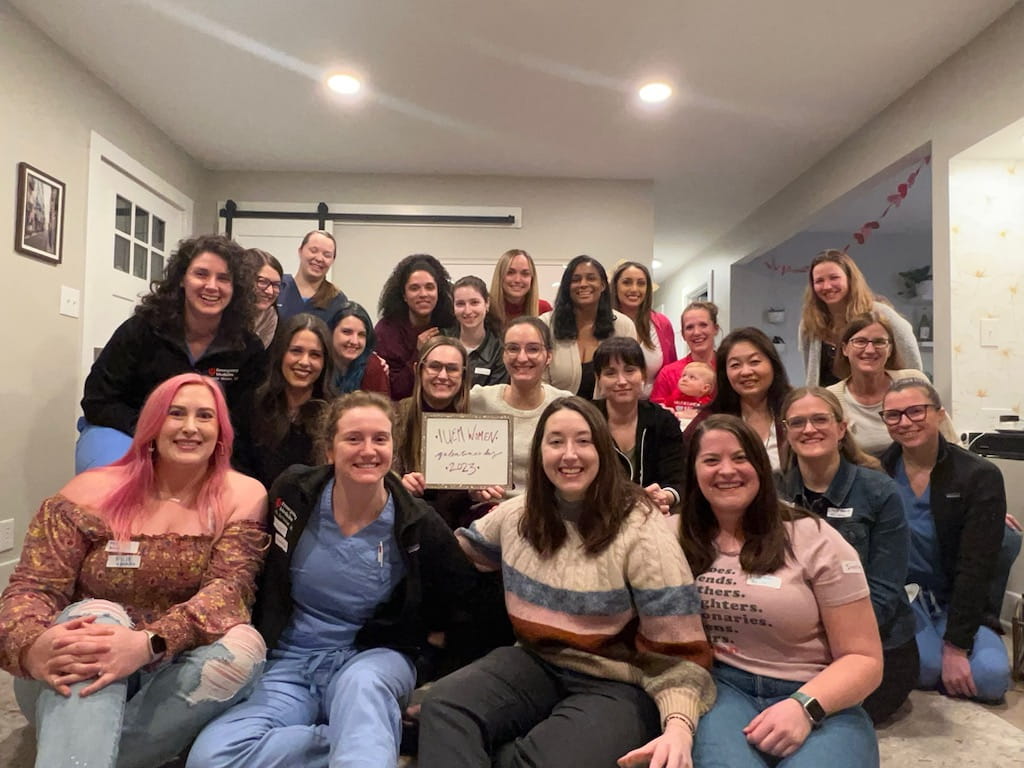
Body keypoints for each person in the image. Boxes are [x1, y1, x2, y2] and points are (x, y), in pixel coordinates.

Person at [417, 397, 715, 768]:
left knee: (539, 761)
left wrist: (679, 726)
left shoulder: (641, 527)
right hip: (534, 660)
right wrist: (397, 498)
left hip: (618, 680)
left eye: (583, 441)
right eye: (556, 441)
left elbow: (679, 655)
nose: (569, 454)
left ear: (603, 450)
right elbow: (454, 556)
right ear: (539, 451)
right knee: (444, 707)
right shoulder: (518, 514)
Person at [187, 391, 480, 768]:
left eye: (380, 439)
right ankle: (368, 737)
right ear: (329, 449)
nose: (368, 450)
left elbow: (473, 604)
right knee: (211, 758)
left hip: (372, 658)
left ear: (394, 447)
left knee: (363, 689)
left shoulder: (418, 524)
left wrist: (442, 668)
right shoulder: (292, 493)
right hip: (291, 661)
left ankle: (366, 739)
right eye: (353, 439)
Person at [1, 373, 269, 768]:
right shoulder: (89, 491)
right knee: (98, 617)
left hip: (167, 673)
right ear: (152, 425)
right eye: (176, 413)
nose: (190, 427)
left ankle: (80, 751)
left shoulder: (242, 495)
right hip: (68, 672)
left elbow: (228, 594)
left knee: (246, 646)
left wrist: (147, 643)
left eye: (204, 416)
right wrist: (31, 646)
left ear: (221, 431)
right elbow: (31, 588)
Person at [683, 414, 882, 768]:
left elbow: (864, 660)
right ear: (694, 473)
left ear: (761, 466)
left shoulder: (817, 540)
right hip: (722, 689)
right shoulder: (673, 536)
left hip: (819, 692)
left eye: (741, 458)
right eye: (711, 460)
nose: (727, 470)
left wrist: (804, 707)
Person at [779, 387, 916, 724]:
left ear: (841, 428)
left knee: (833, 718)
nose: (809, 429)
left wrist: (828, 639)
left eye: (819, 419)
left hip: (874, 645)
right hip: (796, 644)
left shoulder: (880, 491)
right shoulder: (772, 491)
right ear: (786, 432)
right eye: (798, 422)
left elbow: (885, 590)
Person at [78, 234, 266, 474]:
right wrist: (154, 432)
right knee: (116, 484)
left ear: (235, 289)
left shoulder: (248, 348)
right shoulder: (140, 330)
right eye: (201, 274)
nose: (211, 285)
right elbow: (98, 400)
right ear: (181, 279)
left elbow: (242, 423)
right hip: (127, 432)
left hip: (204, 442)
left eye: (223, 278)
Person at [879, 379, 1011, 702]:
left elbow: (977, 568)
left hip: (960, 599)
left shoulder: (979, 476)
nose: (905, 422)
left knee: (991, 680)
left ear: (939, 414)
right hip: (906, 599)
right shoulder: (877, 471)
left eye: (915, 411)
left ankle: (947, 645)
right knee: (923, 669)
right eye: (893, 415)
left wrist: (957, 647)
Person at [469, 317, 572, 501]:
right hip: (489, 510)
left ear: (548, 356)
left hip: (548, 510)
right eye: (513, 348)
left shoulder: (565, 405)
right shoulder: (477, 400)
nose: (522, 357)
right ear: (503, 354)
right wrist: (472, 486)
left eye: (533, 349)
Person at [827, 312, 957, 456]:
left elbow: (949, 439)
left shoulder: (914, 381)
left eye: (879, 342)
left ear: (890, 349)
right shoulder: (832, 398)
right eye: (860, 341)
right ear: (845, 349)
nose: (870, 350)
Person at [799, 249, 921, 387]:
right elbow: (811, 373)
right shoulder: (809, 323)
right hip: (829, 404)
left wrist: (915, 396)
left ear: (850, 279)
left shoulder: (882, 314)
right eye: (819, 281)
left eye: (834, 278)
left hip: (881, 403)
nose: (826, 286)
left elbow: (912, 365)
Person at [593, 337, 684, 514]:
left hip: (653, 514)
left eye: (629, 370)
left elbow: (677, 478)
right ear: (598, 379)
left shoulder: (663, 421)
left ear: (643, 374)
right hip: (598, 514)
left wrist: (664, 496)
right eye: (610, 373)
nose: (621, 381)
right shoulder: (586, 420)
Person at [684, 327, 792, 473]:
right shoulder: (709, 419)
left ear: (773, 364)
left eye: (754, 362)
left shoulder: (795, 411)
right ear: (725, 374)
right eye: (735, 365)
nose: (746, 372)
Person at [249, 313, 336, 491]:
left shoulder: (335, 414)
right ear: (281, 354)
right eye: (296, 351)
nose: (305, 362)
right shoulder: (253, 405)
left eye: (315, 355)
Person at [540, 255, 637, 398]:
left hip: (608, 416)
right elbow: (540, 381)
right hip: (557, 414)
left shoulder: (623, 326)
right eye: (576, 279)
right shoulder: (546, 324)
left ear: (603, 285)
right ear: (567, 287)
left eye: (591, 278)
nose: (583, 284)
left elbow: (631, 375)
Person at [376, 253, 456, 400]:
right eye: (414, 288)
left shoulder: (451, 326)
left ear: (438, 292)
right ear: (404, 295)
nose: (423, 294)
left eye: (430, 287)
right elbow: (393, 389)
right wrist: (419, 353)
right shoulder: (385, 331)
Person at [612, 261, 678, 393]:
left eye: (641, 283)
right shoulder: (603, 322)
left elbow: (670, 373)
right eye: (627, 282)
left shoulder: (662, 324)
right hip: (610, 405)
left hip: (653, 406)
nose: (634, 289)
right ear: (615, 287)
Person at [650, 301, 720, 408]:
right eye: (689, 327)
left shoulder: (728, 369)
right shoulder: (668, 373)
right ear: (683, 335)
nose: (696, 332)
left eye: (703, 325)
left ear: (715, 329)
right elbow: (655, 413)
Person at [445, 275, 507, 387]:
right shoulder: (441, 341)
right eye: (460, 304)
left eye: (474, 302)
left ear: (487, 304)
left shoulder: (500, 351)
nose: (467, 311)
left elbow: (494, 397)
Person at [276, 230, 349, 324]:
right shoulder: (277, 287)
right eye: (313, 251)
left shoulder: (337, 300)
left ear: (332, 260)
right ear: (300, 251)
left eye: (327, 255)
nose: (319, 258)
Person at [326, 301, 391, 397]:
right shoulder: (318, 362)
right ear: (330, 332)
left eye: (361, 334)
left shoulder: (374, 367)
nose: (354, 341)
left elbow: (382, 409)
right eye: (347, 332)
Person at [488, 248, 552, 327]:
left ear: (532, 278)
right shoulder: (486, 309)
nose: (517, 280)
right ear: (499, 276)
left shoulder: (543, 309)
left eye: (525, 274)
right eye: (510, 272)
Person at [247, 248, 284, 348]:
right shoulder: (222, 312)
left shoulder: (270, 315)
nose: (270, 291)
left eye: (276, 285)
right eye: (263, 282)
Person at [665, 361, 716, 427]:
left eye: (692, 377)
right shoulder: (674, 397)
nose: (684, 379)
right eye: (683, 375)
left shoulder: (707, 404)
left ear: (705, 388)